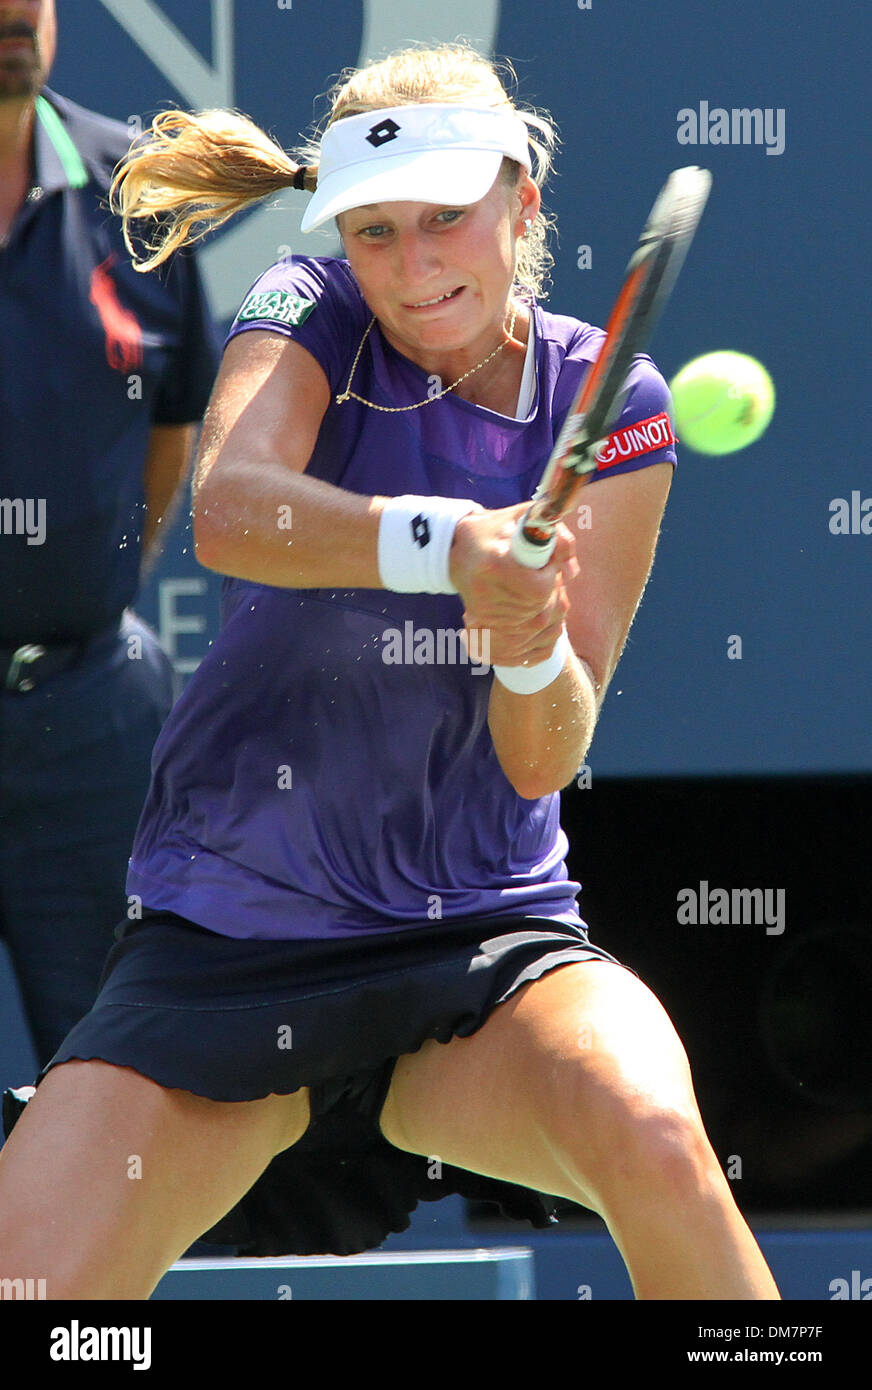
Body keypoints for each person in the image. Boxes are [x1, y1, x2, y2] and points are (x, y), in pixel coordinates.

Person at [0, 41, 781, 1300]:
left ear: (520, 204)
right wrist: (450, 546)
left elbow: (544, 757)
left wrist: (527, 649)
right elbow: (232, 510)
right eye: (373, 232)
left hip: (481, 945)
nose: (411, 271)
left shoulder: (611, 400)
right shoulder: (310, 307)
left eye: (442, 221)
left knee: (654, 1141)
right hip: (229, 942)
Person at [0, 0, 220, 1068]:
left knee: (120, 1084)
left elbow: (176, 422)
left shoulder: (142, 194)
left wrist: (93, 582)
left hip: (86, 726)